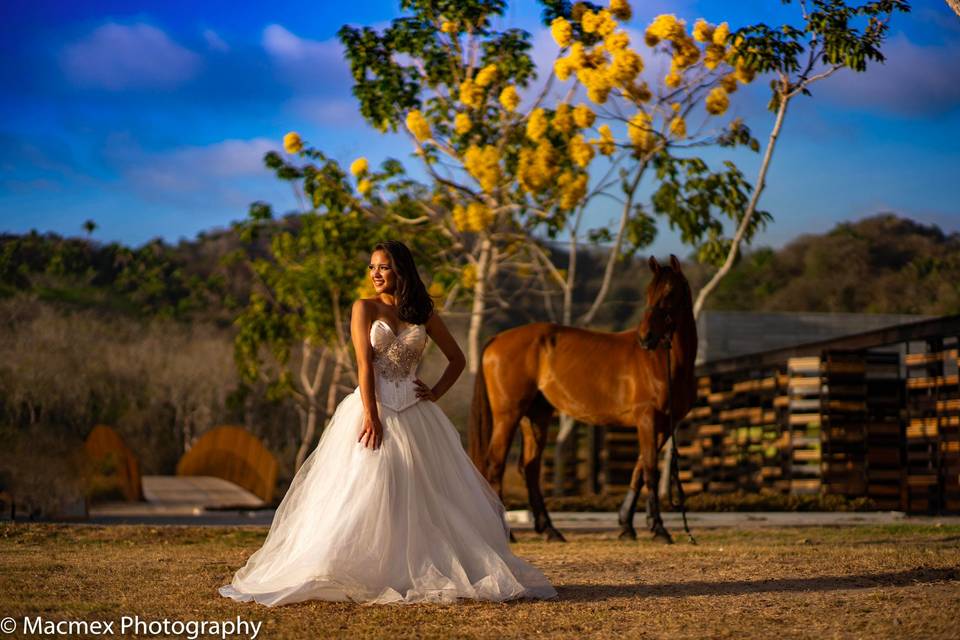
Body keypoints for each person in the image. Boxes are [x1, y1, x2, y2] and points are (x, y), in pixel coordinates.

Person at [218, 240, 558, 606]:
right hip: (372, 408)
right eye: (372, 267)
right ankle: (348, 566)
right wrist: (371, 415)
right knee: (363, 489)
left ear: (401, 270)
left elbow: (457, 359)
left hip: (416, 412)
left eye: (383, 266)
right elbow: (364, 365)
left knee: (423, 491)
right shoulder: (363, 308)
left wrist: (435, 393)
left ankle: (418, 565)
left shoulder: (422, 313)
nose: (376, 274)